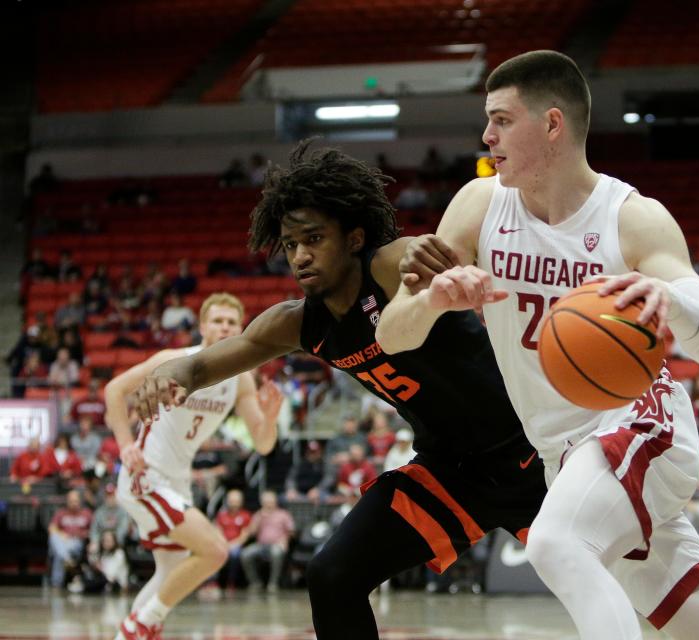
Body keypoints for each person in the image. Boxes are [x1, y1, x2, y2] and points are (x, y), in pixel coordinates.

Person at [377, 50, 699, 640]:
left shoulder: (633, 219)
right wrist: (435, 299)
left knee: (557, 543)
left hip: (640, 421)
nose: (486, 135)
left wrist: (670, 302)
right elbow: (391, 335)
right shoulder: (479, 204)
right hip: (561, 453)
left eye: (501, 119)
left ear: (552, 124)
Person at [128, 143, 547, 640]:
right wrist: (170, 374)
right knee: (332, 575)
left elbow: (413, 252)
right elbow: (203, 364)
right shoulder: (299, 323)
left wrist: (420, 253)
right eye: (290, 244)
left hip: (533, 455)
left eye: (314, 238)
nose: (301, 255)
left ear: (354, 238)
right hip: (450, 474)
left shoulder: (389, 265)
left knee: (635, 577)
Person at [106, 293, 282, 640]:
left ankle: (134, 630)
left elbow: (263, 443)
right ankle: (140, 626)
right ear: (202, 327)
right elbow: (114, 390)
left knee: (169, 576)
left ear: (241, 329)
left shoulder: (242, 378)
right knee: (215, 550)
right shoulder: (174, 361)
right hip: (146, 475)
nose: (224, 327)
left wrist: (271, 418)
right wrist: (125, 446)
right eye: (217, 321)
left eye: (231, 322)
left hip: (177, 481)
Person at [240, 490, 295, 593]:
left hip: (277, 545)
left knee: (276, 553)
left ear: (275, 502)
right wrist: (259, 518)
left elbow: (292, 532)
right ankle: (255, 582)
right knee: (245, 554)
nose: (268, 504)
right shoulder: (258, 514)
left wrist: (284, 539)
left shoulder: (283, 514)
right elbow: (252, 532)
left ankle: (273, 583)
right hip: (261, 545)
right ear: (262, 503)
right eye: (266, 502)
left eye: (270, 501)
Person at [48, 489, 93, 590]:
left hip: (77, 542)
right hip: (63, 541)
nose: (74, 503)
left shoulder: (86, 513)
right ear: (67, 501)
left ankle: (56, 584)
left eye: (76, 501)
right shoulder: (61, 513)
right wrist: (62, 534)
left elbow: (94, 530)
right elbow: (51, 528)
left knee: (57, 551)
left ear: (80, 501)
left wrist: (84, 535)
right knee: (54, 537)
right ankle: (66, 559)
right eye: (71, 501)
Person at [214, 489, 252, 590]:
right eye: (231, 501)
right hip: (222, 543)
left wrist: (231, 545)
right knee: (213, 552)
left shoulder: (246, 515)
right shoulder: (221, 515)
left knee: (234, 554)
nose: (234, 504)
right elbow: (218, 532)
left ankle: (231, 581)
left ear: (241, 502)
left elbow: (244, 536)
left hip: (237, 544)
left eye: (236, 501)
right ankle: (212, 582)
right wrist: (224, 544)